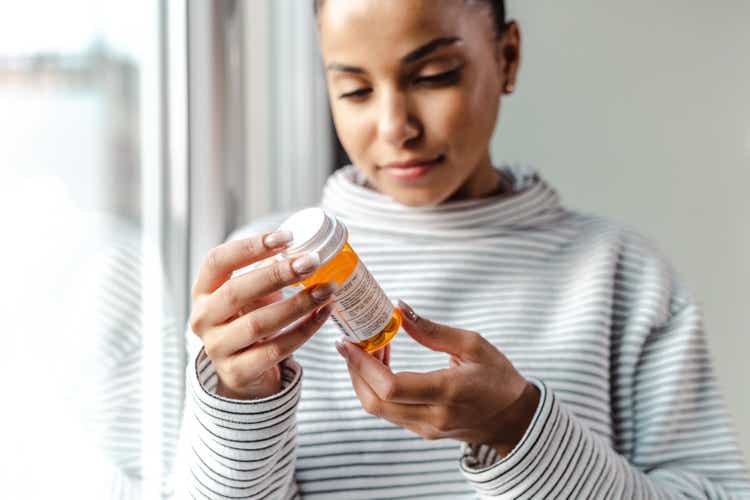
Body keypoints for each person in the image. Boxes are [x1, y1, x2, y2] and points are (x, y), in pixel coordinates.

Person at [175, 1, 750, 498]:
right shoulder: (259, 285)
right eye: (353, 89)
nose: (395, 126)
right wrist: (239, 405)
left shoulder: (621, 275)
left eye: (434, 75)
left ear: (507, 57)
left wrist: (519, 430)